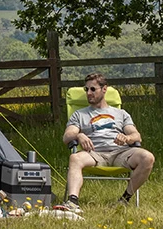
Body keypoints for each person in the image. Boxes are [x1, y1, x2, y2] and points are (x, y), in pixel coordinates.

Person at [60, 72, 155, 211]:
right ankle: (72, 202)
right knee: (75, 158)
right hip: (94, 153)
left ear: (104, 89)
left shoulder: (120, 114)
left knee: (148, 157)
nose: (89, 93)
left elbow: (136, 136)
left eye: (93, 89)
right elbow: (67, 136)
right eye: (86, 89)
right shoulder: (79, 114)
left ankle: (124, 199)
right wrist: (79, 135)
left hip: (120, 152)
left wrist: (127, 138)